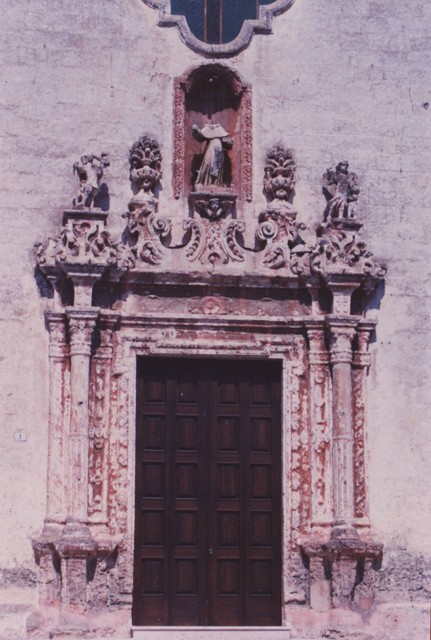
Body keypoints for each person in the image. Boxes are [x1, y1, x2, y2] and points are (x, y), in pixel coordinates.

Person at [192, 123, 233, 188]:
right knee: (206, 164)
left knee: (218, 167)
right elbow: (200, 137)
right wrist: (196, 131)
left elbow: (227, 142)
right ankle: (201, 182)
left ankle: (216, 184)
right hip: (210, 149)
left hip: (219, 151)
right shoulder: (207, 128)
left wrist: (229, 143)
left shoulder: (220, 129)